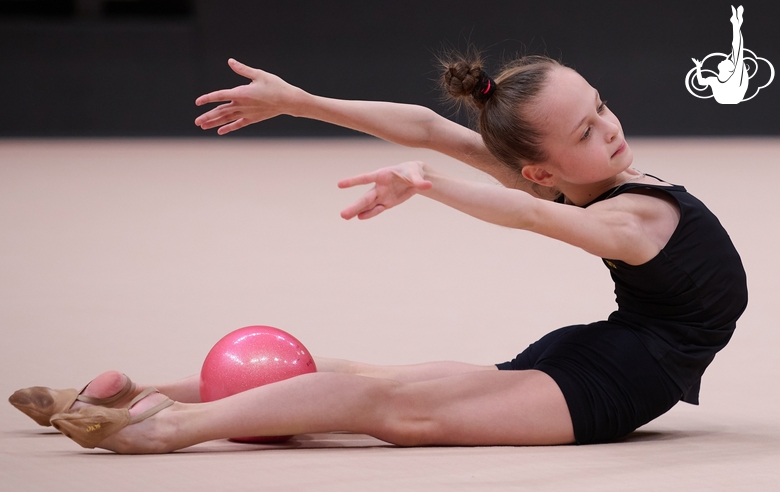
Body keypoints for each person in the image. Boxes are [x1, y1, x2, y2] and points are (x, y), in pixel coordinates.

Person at [9, 51, 747, 453]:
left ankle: (118, 399)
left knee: (384, 388)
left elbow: (501, 191)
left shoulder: (602, 196)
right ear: (542, 168)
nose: (609, 130)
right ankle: (156, 423)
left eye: (600, 108)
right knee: (389, 404)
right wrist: (302, 102)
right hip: (610, 378)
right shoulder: (616, 209)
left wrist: (427, 179)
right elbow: (435, 135)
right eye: (585, 131)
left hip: (606, 357)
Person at [692, 5, 748, 104]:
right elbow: (701, 82)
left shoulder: (729, 78)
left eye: (727, 61)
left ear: (729, 69)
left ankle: (736, 24)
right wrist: (698, 67)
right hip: (730, 97)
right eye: (728, 61)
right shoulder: (715, 80)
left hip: (732, 96)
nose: (724, 59)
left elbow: (737, 50)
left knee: (737, 51)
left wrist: (698, 67)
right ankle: (736, 24)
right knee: (737, 52)